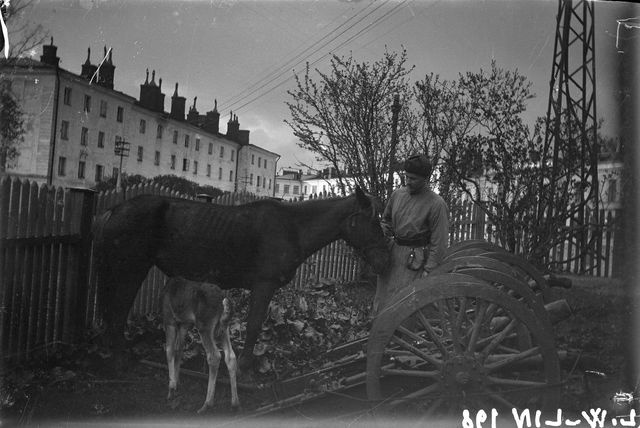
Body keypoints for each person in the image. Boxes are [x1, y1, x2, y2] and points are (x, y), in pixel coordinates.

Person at [373, 154, 449, 314]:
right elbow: (386, 221)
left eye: (413, 178)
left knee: (404, 303)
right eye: (406, 176)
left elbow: (439, 242)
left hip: (415, 259)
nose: (408, 181)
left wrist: (429, 269)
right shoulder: (397, 195)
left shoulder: (436, 204)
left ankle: (401, 336)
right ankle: (379, 333)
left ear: (425, 179)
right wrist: (381, 234)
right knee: (383, 297)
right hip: (393, 253)